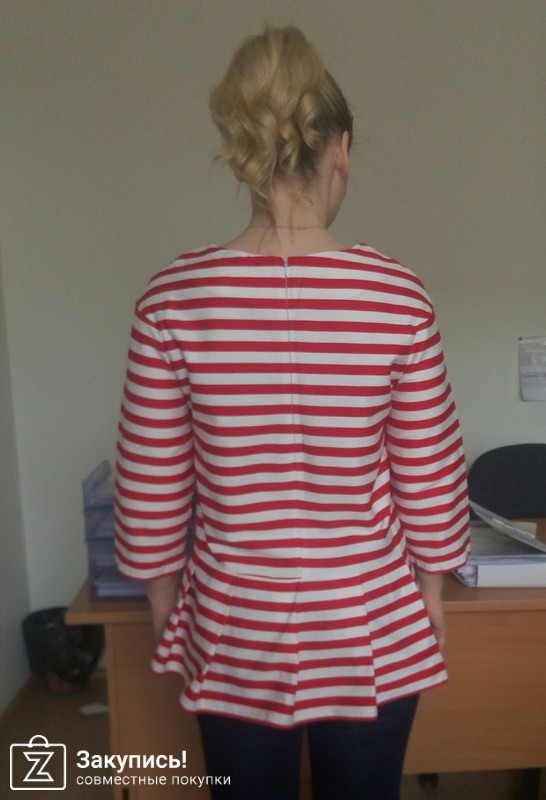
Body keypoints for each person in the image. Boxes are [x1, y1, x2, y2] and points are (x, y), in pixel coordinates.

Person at [114, 25, 470, 800]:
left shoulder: (173, 299)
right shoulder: (396, 297)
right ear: (339, 149)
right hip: (372, 616)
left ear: (244, 150)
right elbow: (430, 471)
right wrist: (433, 589)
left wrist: (165, 603)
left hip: (233, 622)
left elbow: (150, 483)